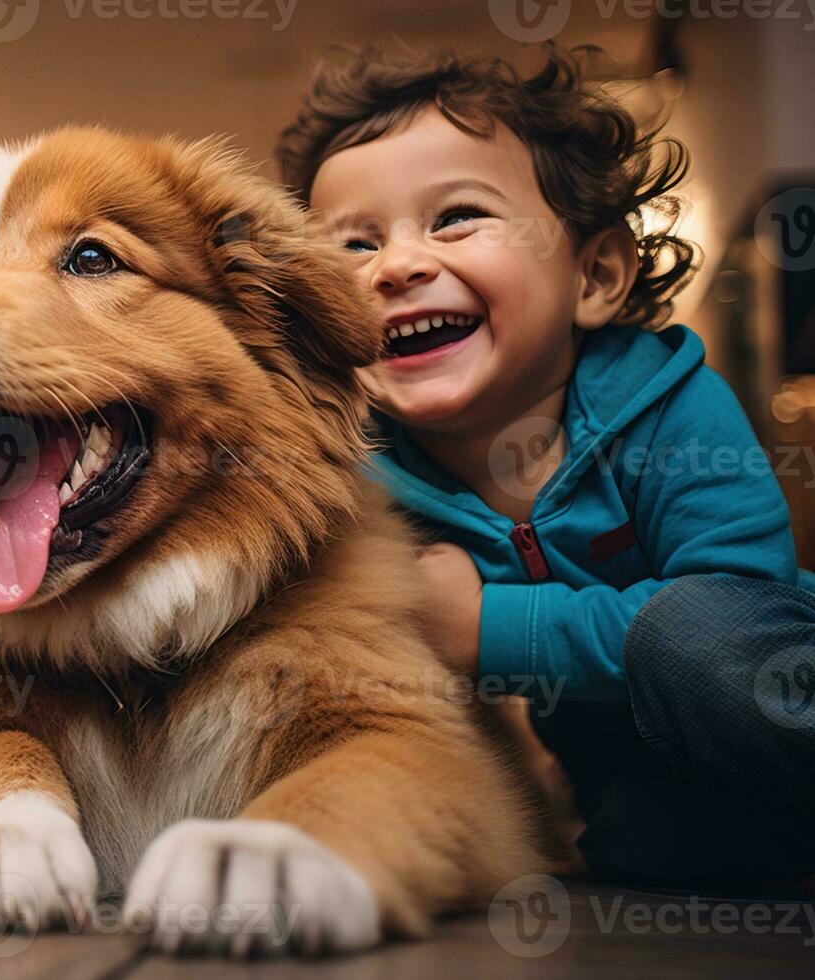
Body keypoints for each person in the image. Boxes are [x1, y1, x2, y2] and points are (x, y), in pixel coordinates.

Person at [277, 44, 815, 891]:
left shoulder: (671, 408)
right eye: (350, 245)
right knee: (637, 852)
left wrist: (492, 627)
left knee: (692, 632)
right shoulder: (364, 476)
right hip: (645, 781)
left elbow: (740, 617)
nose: (395, 265)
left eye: (454, 217)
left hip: (780, 704)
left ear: (594, 276)